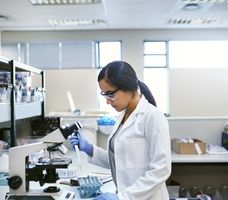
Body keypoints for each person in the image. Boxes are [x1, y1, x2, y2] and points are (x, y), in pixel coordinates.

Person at [68, 61, 171, 200]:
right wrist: (90, 149)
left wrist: (123, 197)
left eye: (110, 94)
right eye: (104, 95)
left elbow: (161, 170)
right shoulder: (122, 116)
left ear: (127, 87)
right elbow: (121, 161)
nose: (107, 101)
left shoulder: (153, 117)